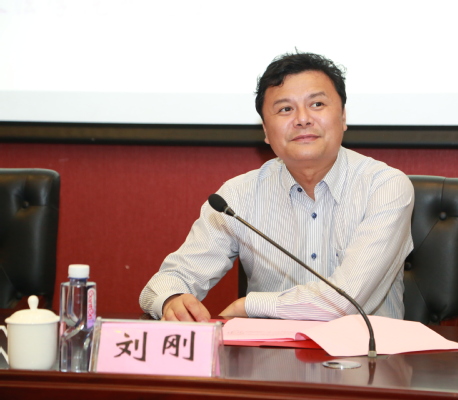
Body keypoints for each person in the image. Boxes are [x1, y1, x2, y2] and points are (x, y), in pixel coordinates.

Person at [139, 52, 414, 322]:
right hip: (268, 351)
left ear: (343, 117)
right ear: (266, 131)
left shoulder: (384, 187)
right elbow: (163, 284)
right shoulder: (238, 197)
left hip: (367, 350)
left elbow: (345, 301)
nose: (303, 119)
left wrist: (249, 305)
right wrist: (173, 300)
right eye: (285, 109)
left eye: (317, 104)